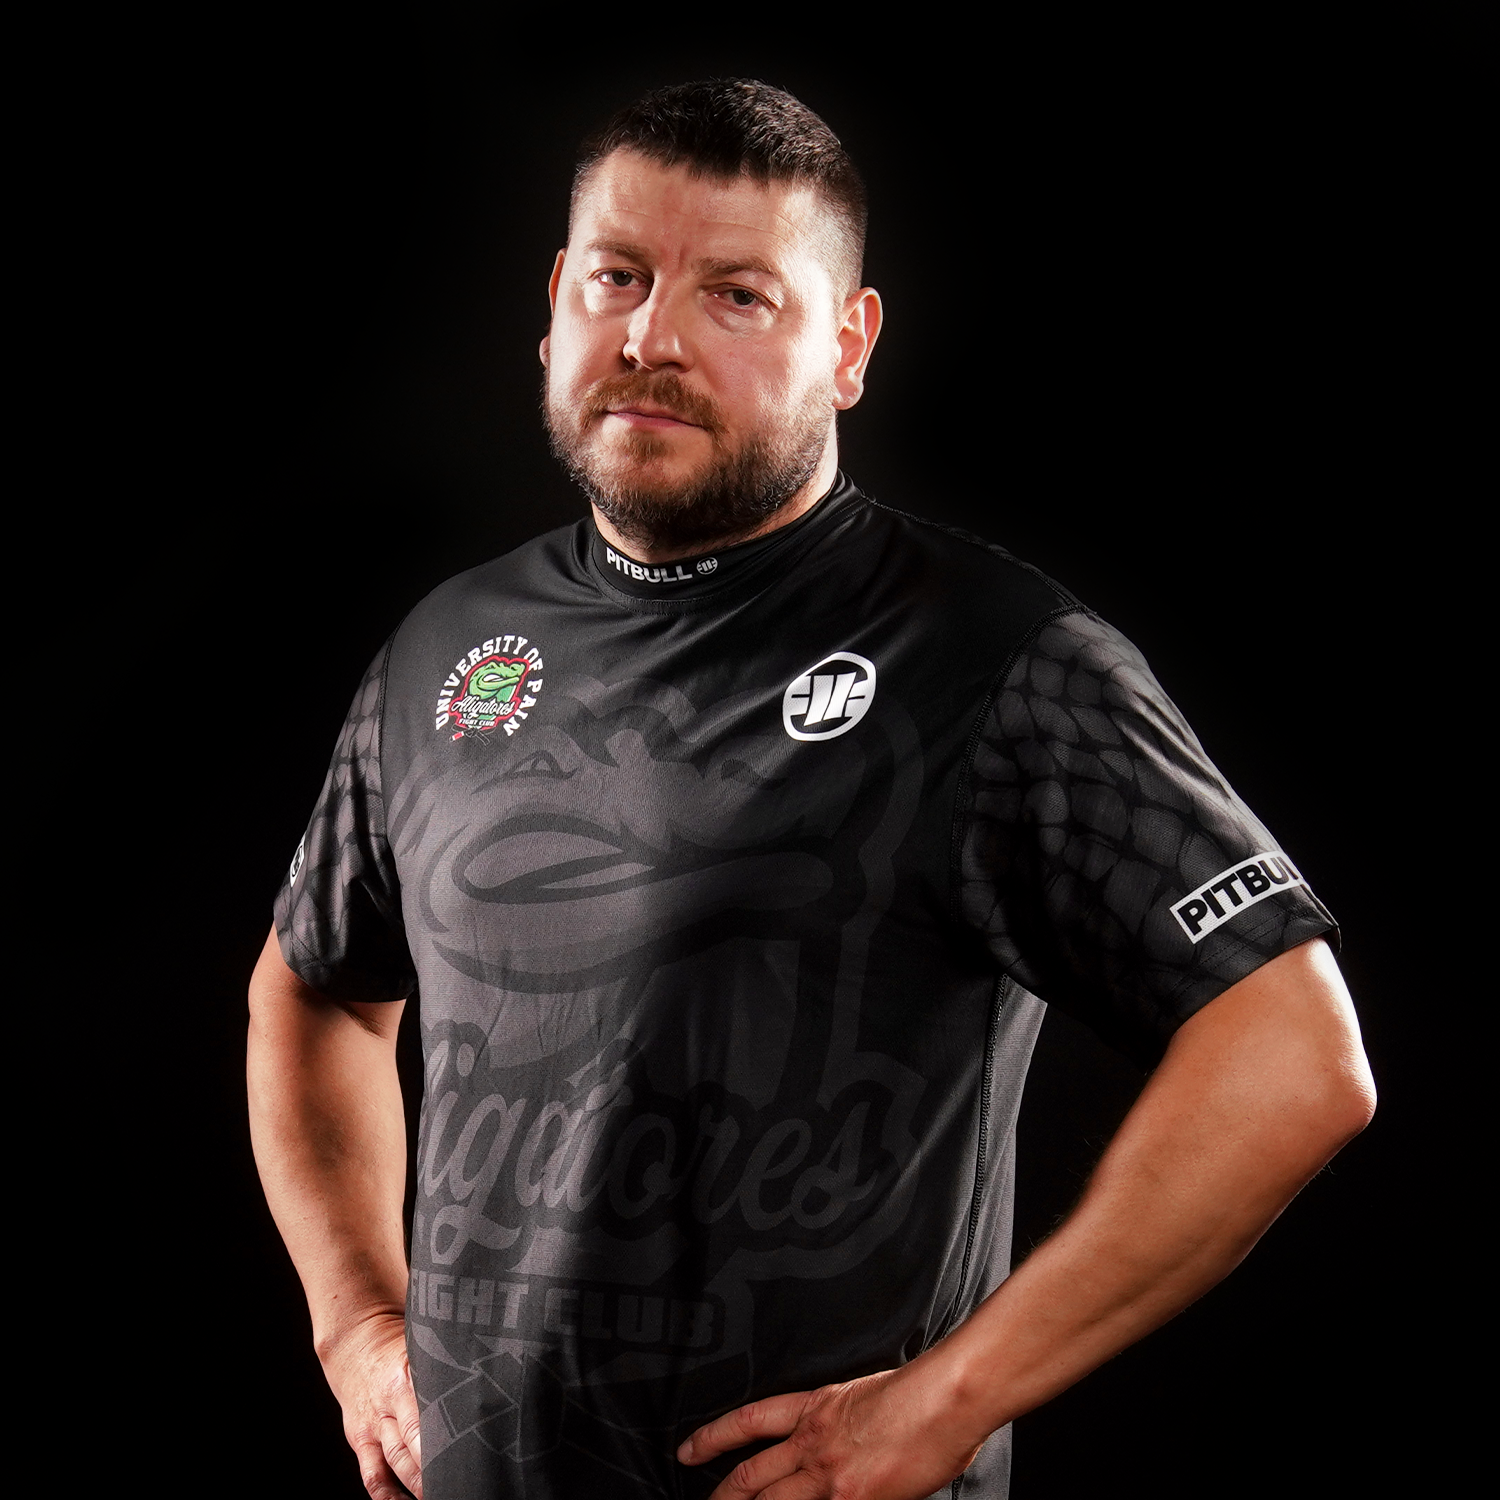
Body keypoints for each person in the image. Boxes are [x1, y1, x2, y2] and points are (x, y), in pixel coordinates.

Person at [248, 80, 1375, 1500]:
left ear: (848, 345)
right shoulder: (446, 646)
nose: (653, 338)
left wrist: (948, 1402)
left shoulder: (992, 658)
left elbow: (1294, 1056)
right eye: (618, 277)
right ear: (554, 302)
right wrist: (357, 1326)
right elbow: (313, 992)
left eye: (738, 296)